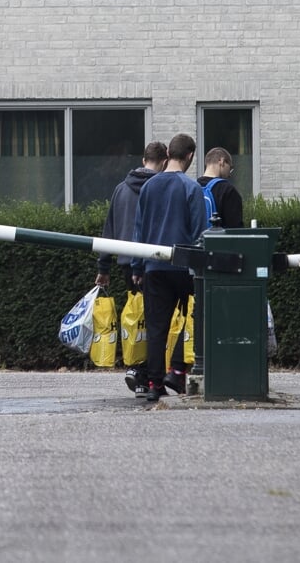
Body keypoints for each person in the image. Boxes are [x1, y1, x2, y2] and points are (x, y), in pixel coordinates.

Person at [131, 133, 205, 402]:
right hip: (183, 268)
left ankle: (153, 384)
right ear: (189, 156)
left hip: (153, 266)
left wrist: (137, 267)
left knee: (157, 328)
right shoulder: (191, 188)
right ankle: (177, 370)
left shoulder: (149, 187)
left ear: (167, 155)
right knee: (193, 322)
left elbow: (138, 230)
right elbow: (200, 232)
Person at [97, 141, 166, 396]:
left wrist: (103, 267)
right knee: (156, 320)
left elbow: (109, 231)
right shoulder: (160, 188)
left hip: (127, 264)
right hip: (154, 262)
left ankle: (135, 368)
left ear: (143, 158)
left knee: (136, 318)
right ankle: (145, 373)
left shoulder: (120, 189)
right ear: (165, 160)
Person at [200, 147, 244, 229]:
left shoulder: (193, 187)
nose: (230, 174)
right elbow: (235, 230)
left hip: (195, 241)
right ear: (222, 161)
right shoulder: (228, 190)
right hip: (217, 241)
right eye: (230, 168)